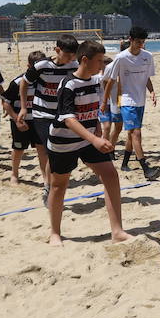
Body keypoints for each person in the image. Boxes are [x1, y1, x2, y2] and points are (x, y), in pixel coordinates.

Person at [45, 40, 129, 246]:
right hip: (63, 141)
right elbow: (68, 118)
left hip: (88, 138)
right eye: (99, 61)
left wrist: (98, 131)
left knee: (110, 175)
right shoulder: (68, 84)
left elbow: (94, 109)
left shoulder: (94, 81)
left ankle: (117, 231)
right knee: (58, 185)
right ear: (85, 60)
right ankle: (55, 233)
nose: (102, 65)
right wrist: (94, 139)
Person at [18, 34, 80, 200]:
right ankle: (48, 185)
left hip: (64, 114)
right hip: (42, 114)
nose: (71, 58)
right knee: (49, 150)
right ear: (57, 50)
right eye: (67, 55)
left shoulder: (75, 65)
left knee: (62, 152)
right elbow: (23, 83)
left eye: (73, 55)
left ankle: (52, 182)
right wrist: (24, 107)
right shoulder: (41, 65)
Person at [103, 27, 156, 179]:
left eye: (143, 42)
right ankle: (146, 168)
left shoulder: (148, 56)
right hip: (126, 100)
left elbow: (147, 78)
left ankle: (125, 163)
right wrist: (104, 101)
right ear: (130, 40)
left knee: (131, 135)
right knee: (136, 133)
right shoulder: (120, 58)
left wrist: (152, 92)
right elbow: (110, 81)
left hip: (140, 100)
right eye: (138, 42)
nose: (141, 45)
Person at [1, 51, 44, 186]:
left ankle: (45, 176)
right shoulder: (18, 82)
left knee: (42, 149)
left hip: (39, 120)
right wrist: (16, 119)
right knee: (18, 149)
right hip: (21, 120)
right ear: (28, 66)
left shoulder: (45, 81)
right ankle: (14, 174)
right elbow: (6, 103)